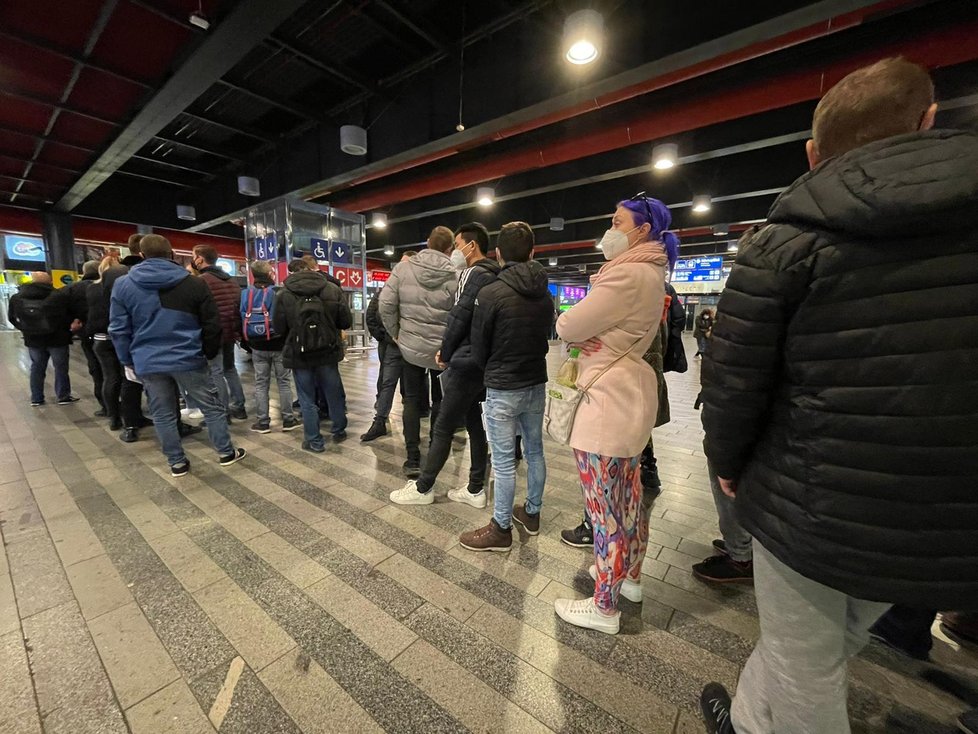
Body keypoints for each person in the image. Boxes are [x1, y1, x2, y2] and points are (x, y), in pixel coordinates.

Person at [698, 58, 978, 734]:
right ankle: (743, 721)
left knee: (808, 666)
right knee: (832, 641)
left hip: (812, 501)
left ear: (813, 154)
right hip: (944, 504)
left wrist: (728, 463)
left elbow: (734, 378)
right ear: (928, 120)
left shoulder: (787, 242)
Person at [552, 194, 676, 635]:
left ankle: (604, 605)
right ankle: (631, 580)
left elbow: (568, 325)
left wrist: (581, 327)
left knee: (604, 510)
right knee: (628, 501)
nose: (611, 226)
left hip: (606, 402)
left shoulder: (625, 274)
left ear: (642, 230)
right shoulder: (652, 272)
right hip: (628, 396)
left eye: (618, 219)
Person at [560, 274, 687, 548]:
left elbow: (567, 325)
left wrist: (580, 340)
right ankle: (627, 574)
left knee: (605, 496)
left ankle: (596, 540)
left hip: (613, 396)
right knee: (628, 495)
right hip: (640, 388)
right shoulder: (655, 288)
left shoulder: (626, 285)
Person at [109, 235, 245, 476]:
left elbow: (119, 329)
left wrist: (127, 360)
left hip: (148, 360)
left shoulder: (123, 285)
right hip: (189, 357)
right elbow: (211, 323)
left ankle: (177, 462)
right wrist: (207, 352)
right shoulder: (194, 283)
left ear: (141, 255)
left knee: (162, 413)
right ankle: (225, 452)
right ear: (172, 254)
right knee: (211, 407)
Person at [457, 222, 554, 550]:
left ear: (498, 254)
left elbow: (479, 345)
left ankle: (500, 529)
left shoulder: (490, 293)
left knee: (502, 460)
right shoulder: (545, 294)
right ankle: (532, 513)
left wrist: (492, 370)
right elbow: (547, 335)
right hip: (535, 382)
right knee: (535, 450)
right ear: (532, 253)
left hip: (502, 386)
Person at [389, 222, 500, 506]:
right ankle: (476, 488)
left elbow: (458, 318)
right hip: (482, 362)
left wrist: (446, 351)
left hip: (464, 361)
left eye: (460, 244)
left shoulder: (471, 274)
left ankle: (423, 487)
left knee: (443, 426)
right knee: (476, 424)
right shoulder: (494, 274)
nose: (457, 250)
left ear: (470, 246)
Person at [378, 226, 458, 477]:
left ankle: (412, 457)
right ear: (451, 248)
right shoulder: (455, 273)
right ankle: (435, 448)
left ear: (427, 242)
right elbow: (460, 313)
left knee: (411, 400)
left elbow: (386, 304)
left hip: (410, 348)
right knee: (440, 400)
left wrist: (396, 334)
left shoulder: (403, 268)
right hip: (442, 351)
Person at [273, 255, 352, 452]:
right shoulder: (332, 289)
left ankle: (314, 440)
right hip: (328, 351)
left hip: (300, 354)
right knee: (333, 391)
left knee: (306, 397)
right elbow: (345, 321)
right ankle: (339, 429)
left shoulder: (284, 294)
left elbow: (278, 327)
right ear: (313, 269)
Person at [88, 256, 151, 441]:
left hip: (100, 339)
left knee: (109, 378)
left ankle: (114, 417)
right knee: (128, 380)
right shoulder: (126, 287)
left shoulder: (92, 288)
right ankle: (132, 418)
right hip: (121, 337)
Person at [241, 260, 298, 433]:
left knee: (261, 383)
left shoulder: (245, 293)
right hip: (279, 343)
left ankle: (263, 422)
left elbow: (240, 317)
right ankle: (288, 420)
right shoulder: (279, 292)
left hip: (257, 345)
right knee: (284, 383)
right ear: (270, 274)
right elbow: (287, 318)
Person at [191, 244, 247, 421]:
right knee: (229, 369)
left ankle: (222, 412)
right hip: (231, 331)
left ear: (200, 258)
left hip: (214, 333)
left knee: (216, 372)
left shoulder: (203, 281)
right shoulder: (230, 280)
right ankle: (239, 405)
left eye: (194, 256)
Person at [9, 271, 78, 406]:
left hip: (33, 339)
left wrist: (25, 329)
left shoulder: (17, 297)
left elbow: (12, 317)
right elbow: (69, 315)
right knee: (60, 368)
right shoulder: (59, 295)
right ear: (50, 281)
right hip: (58, 338)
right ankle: (63, 396)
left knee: (36, 367)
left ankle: (37, 398)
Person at [65, 260, 105, 415]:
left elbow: (59, 307)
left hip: (86, 335)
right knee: (113, 371)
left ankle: (105, 406)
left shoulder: (73, 288)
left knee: (96, 370)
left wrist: (72, 323)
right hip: (108, 333)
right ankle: (120, 405)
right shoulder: (105, 286)